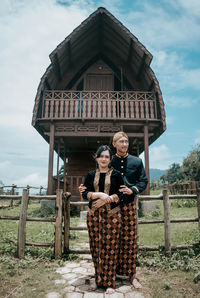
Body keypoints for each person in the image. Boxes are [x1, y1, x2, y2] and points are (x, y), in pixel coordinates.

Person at [79, 132, 148, 289]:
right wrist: (86, 190)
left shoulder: (136, 161)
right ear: (114, 144)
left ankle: (132, 275)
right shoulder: (109, 159)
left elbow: (143, 180)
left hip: (128, 205)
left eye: (126, 141)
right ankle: (109, 275)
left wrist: (133, 190)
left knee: (129, 240)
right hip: (109, 206)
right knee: (108, 241)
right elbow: (98, 179)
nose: (124, 144)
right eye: (121, 141)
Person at [82, 145, 125, 294]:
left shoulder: (117, 175)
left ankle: (110, 283)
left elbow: (123, 194)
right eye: (101, 156)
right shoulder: (90, 175)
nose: (104, 159)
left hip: (112, 216)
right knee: (96, 248)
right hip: (94, 217)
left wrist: (108, 200)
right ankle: (97, 280)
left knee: (111, 249)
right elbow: (85, 193)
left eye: (107, 157)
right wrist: (99, 195)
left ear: (111, 159)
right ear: (97, 157)